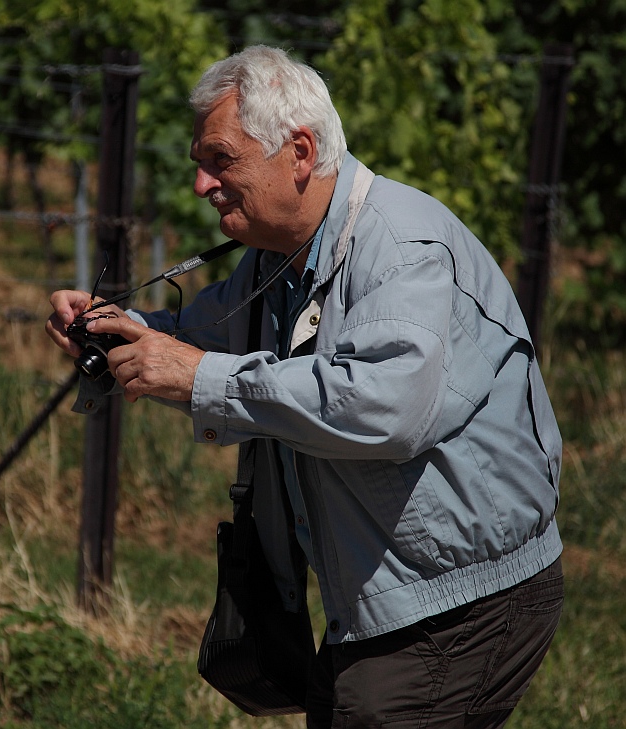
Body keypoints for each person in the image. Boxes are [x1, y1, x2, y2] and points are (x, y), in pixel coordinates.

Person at [46, 45, 563, 728]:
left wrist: (197, 377)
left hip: (463, 600)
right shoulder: (280, 257)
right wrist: (113, 328)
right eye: (200, 162)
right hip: (389, 597)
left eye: (220, 160)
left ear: (297, 151)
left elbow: (385, 406)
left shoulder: (400, 249)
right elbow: (207, 334)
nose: (202, 184)